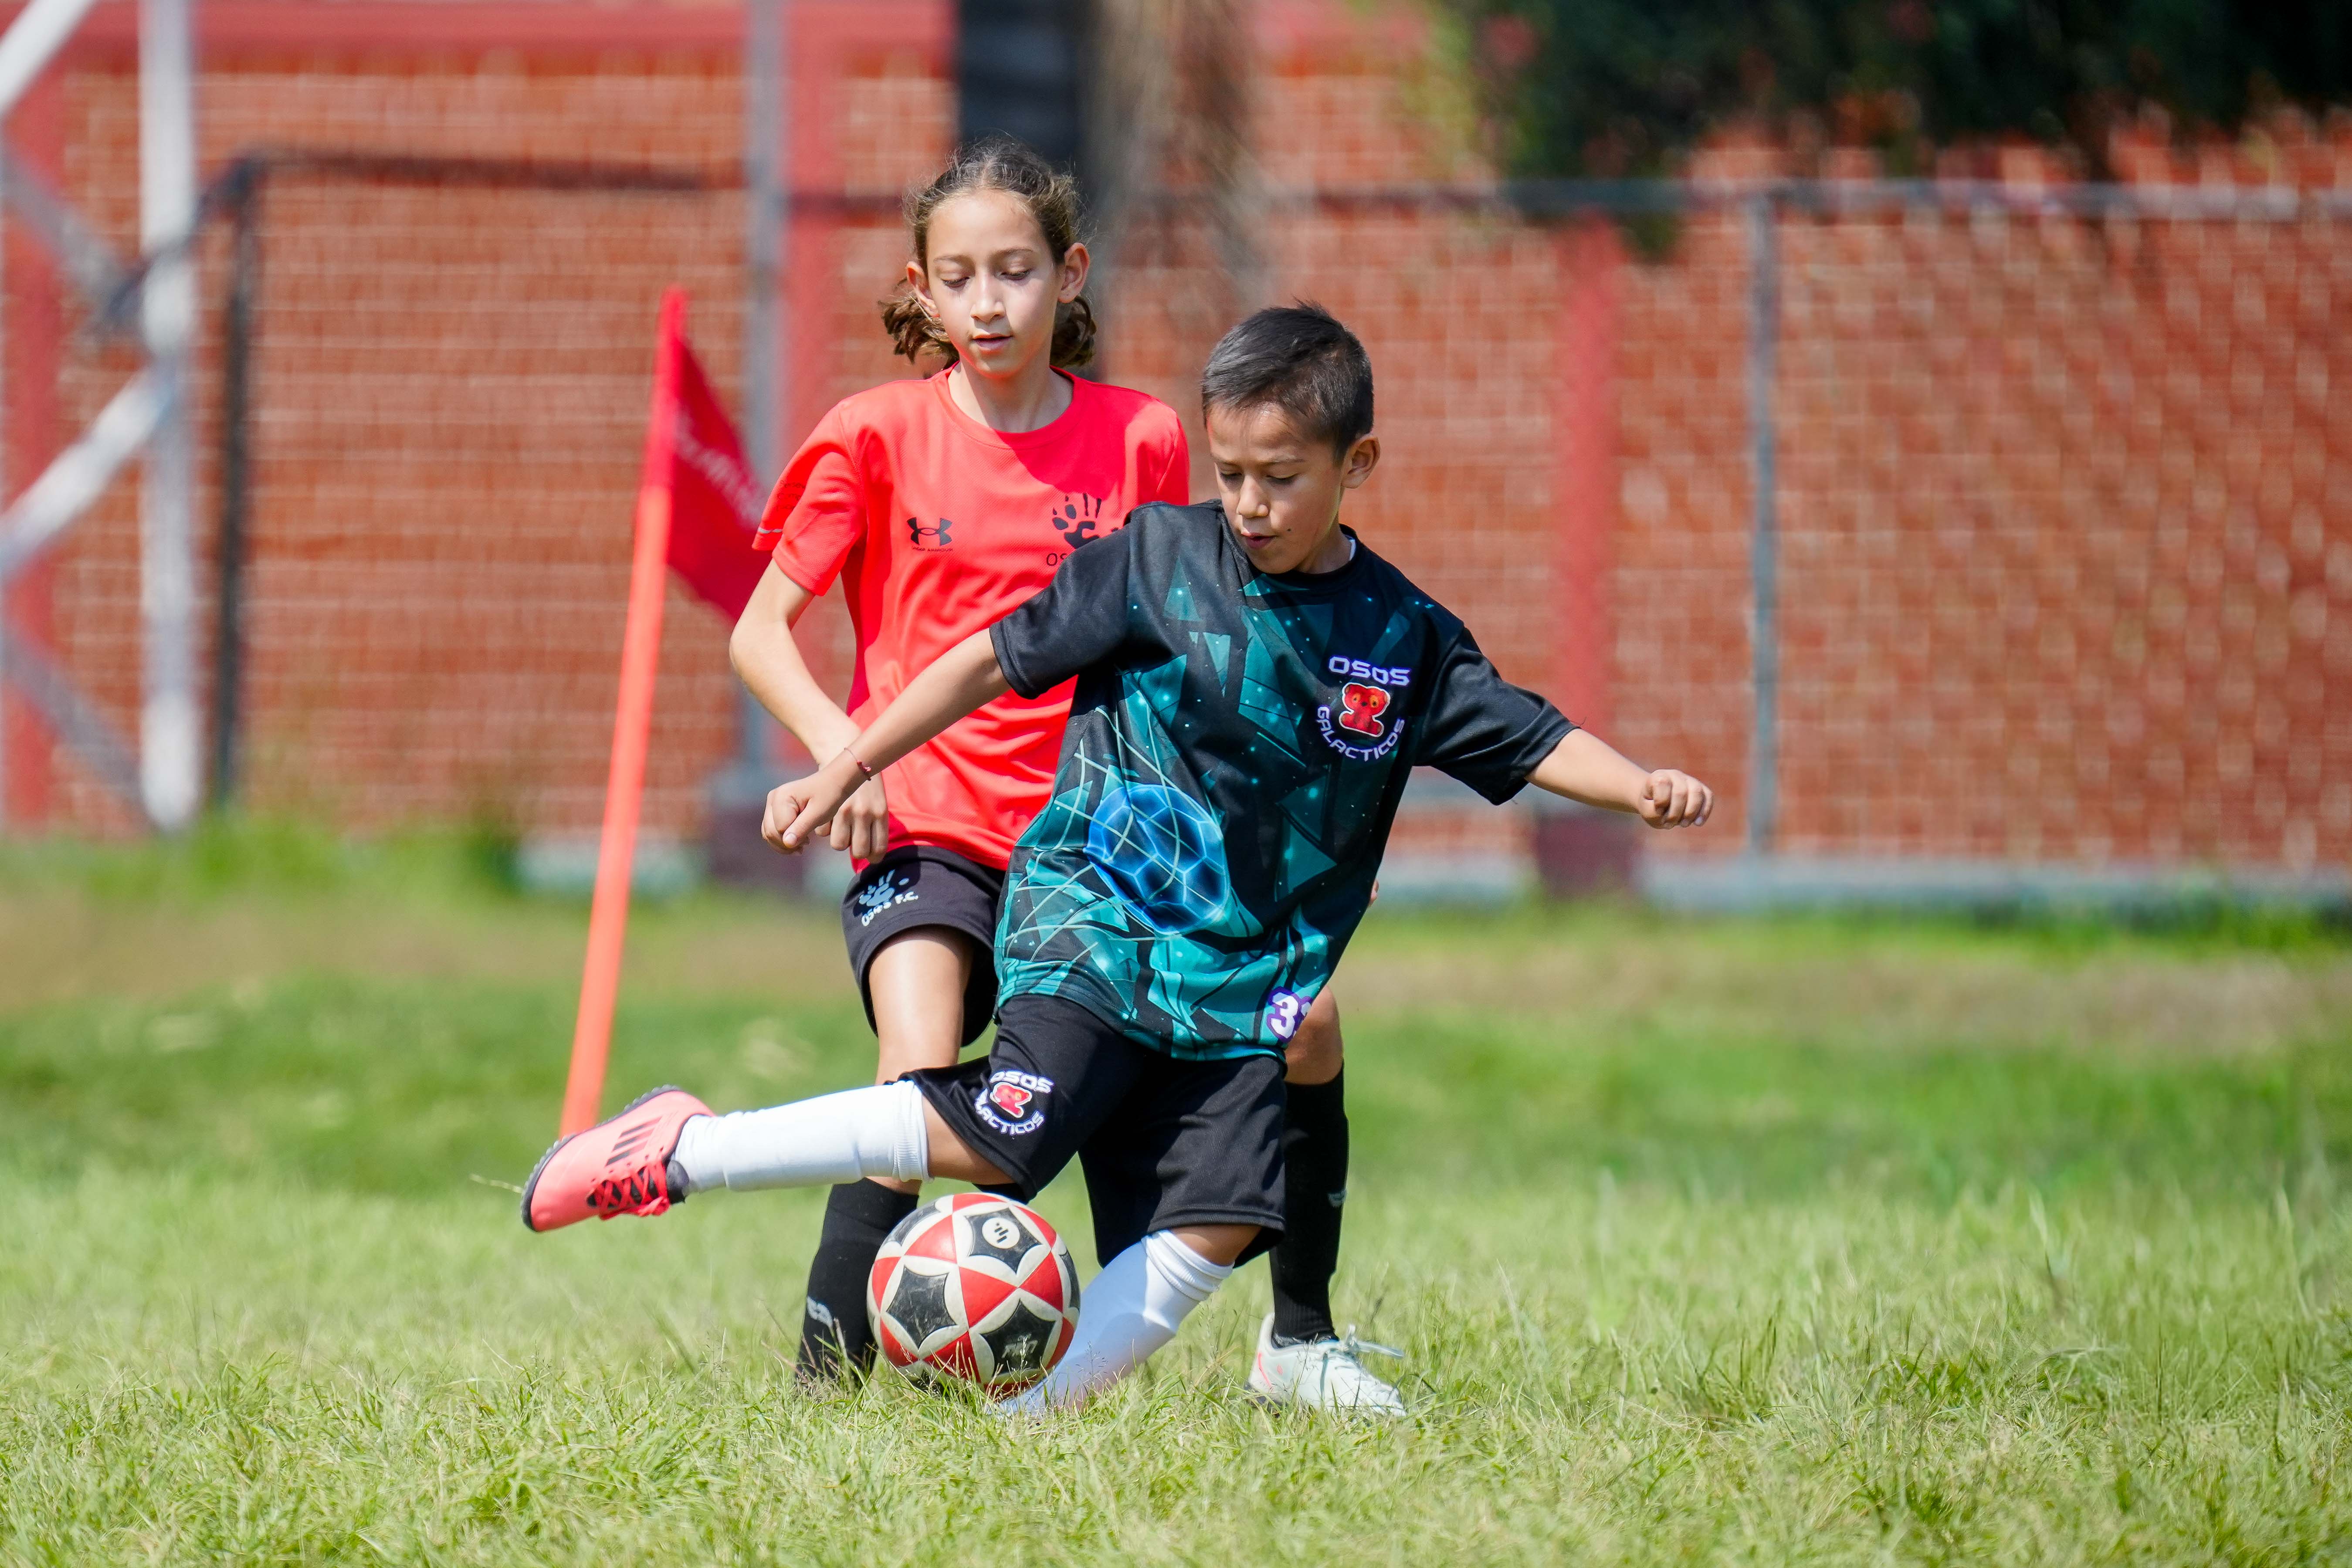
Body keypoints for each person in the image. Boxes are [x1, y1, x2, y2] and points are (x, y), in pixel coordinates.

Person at [522, 304, 1714, 1412]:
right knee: (1002, 1135)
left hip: (1242, 975)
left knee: (1225, 1219)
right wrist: (845, 762)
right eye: (1231, 473)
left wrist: (1637, 786)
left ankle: (1037, 1423)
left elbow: (1527, 731)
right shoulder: (1157, 561)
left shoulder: (1400, 639)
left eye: (1281, 480)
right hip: (1097, 914)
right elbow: (987, 660)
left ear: (1358, 469)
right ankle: (685, 1151)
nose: (1248, 504)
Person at [705, 138, 1380, 1404]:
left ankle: (1272, 1342)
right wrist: (840, 762)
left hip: (1102, 856)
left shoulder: (1141, 442)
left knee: (1175, 1096)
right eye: (958, 279)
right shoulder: (874, 435)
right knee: (916, 1068)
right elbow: (759, 634)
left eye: (1014, 272)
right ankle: (822, 1388)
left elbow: (1201, 652)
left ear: (1069, 276)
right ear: (921, 286)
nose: (987, 303)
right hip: (923, 824)